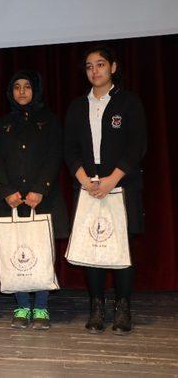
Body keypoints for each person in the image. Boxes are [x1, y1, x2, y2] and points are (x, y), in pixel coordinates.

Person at [64, 44, 147, 335]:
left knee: (120, 249)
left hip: (120, 185)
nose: (95, 71)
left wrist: (113, 178)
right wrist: (84, 179)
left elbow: (137, 145)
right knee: (92, 248)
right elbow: (69, 148)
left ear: (113, 67)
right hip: (88, 186)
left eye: (100, 64)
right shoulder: (77, 106)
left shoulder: (129, 102)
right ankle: (96, 307)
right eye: (89, 66)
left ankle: (122, 307)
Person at [0, 70, 69, 330]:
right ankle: (22, 305)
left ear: (35, 90)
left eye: (27, 86)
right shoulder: (2, 124)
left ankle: (42, 308)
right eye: (16, 87)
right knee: (17, 252)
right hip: (11, 200)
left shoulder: (50, 120)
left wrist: (40, 189)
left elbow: (54, 156)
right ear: (10, 92)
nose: (22, 91)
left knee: (42, 252)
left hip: (42, 199)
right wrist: (5, 191)